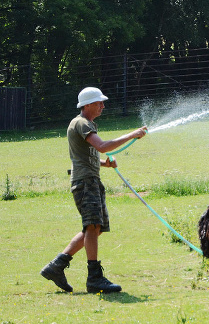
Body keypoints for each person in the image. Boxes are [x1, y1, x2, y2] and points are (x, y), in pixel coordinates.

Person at [40, 87, 147, 294]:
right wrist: (132, 134)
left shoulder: (86, 124)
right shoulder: (81, 123)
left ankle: (57, 266)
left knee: (94, 228)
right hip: (85, 182)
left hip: (91, 180)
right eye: (99, 103)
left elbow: (85, 155)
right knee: (92, 226)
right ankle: (94, 278)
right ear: (87, 104)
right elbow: (103, 146)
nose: (103, 106)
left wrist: (105, 165)